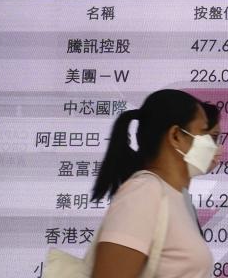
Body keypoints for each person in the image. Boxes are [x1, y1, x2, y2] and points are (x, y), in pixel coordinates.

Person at [91, 89, 220, 278]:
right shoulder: (144, 192)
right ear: (176, 136)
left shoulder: (176, 199)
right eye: (204, 132)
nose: (213, 145)